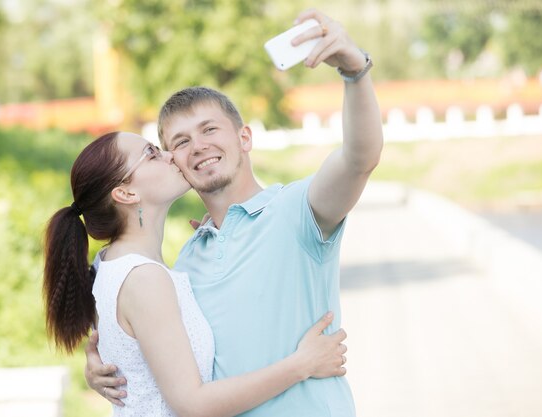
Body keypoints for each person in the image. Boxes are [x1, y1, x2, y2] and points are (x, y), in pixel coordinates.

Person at [86, 7, 383, 417]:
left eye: (210, 129)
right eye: (181, 141)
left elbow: (359, 159)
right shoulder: (187, 259)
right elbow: (165, 348)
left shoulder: (298, 210)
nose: (199, 146)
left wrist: (355, 72)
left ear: (244, 137)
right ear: (174, 160)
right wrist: (106, 365)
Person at [43, 131, 348, 417]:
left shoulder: (108, 263)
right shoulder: (144, 279)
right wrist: (302, 364)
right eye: (151, 153)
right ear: (125, 193)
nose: (170, 156)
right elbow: (192, 404)